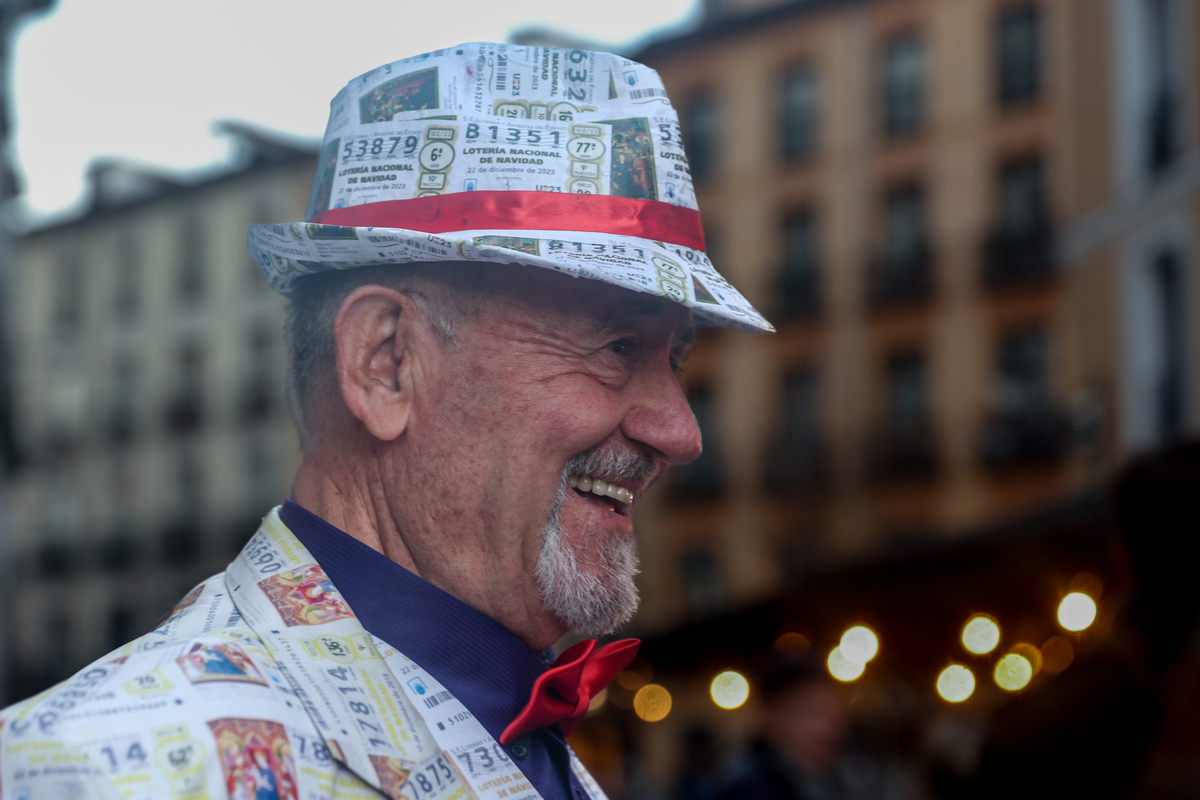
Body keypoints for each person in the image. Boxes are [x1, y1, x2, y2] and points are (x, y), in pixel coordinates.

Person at [0, 43, 771, 800]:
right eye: (617, 346)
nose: (681, 432)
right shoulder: (87, 771)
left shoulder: (527, 741)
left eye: (673, 360)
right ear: (387, 362)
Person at [716, 659, 850, 800]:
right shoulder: (748, 789)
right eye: (811, 711)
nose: (828, 728)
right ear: (771, 717)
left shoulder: (829, 776)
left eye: (833, 711)